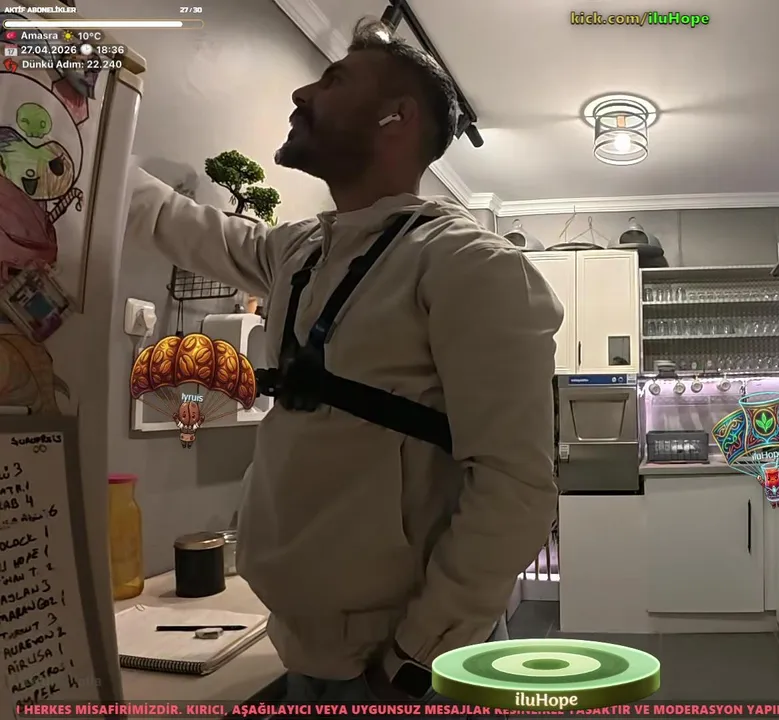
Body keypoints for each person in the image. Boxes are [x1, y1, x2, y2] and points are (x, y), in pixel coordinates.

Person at [125, 18, 562, 706]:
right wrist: (78, 138)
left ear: (397, 117)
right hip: (304, 645)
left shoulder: (469, 264)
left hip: (402, 671)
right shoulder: (299, 251)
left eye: (332, 81)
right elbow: (179, 224)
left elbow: (517, 488)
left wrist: (413, 662)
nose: (301, 93)